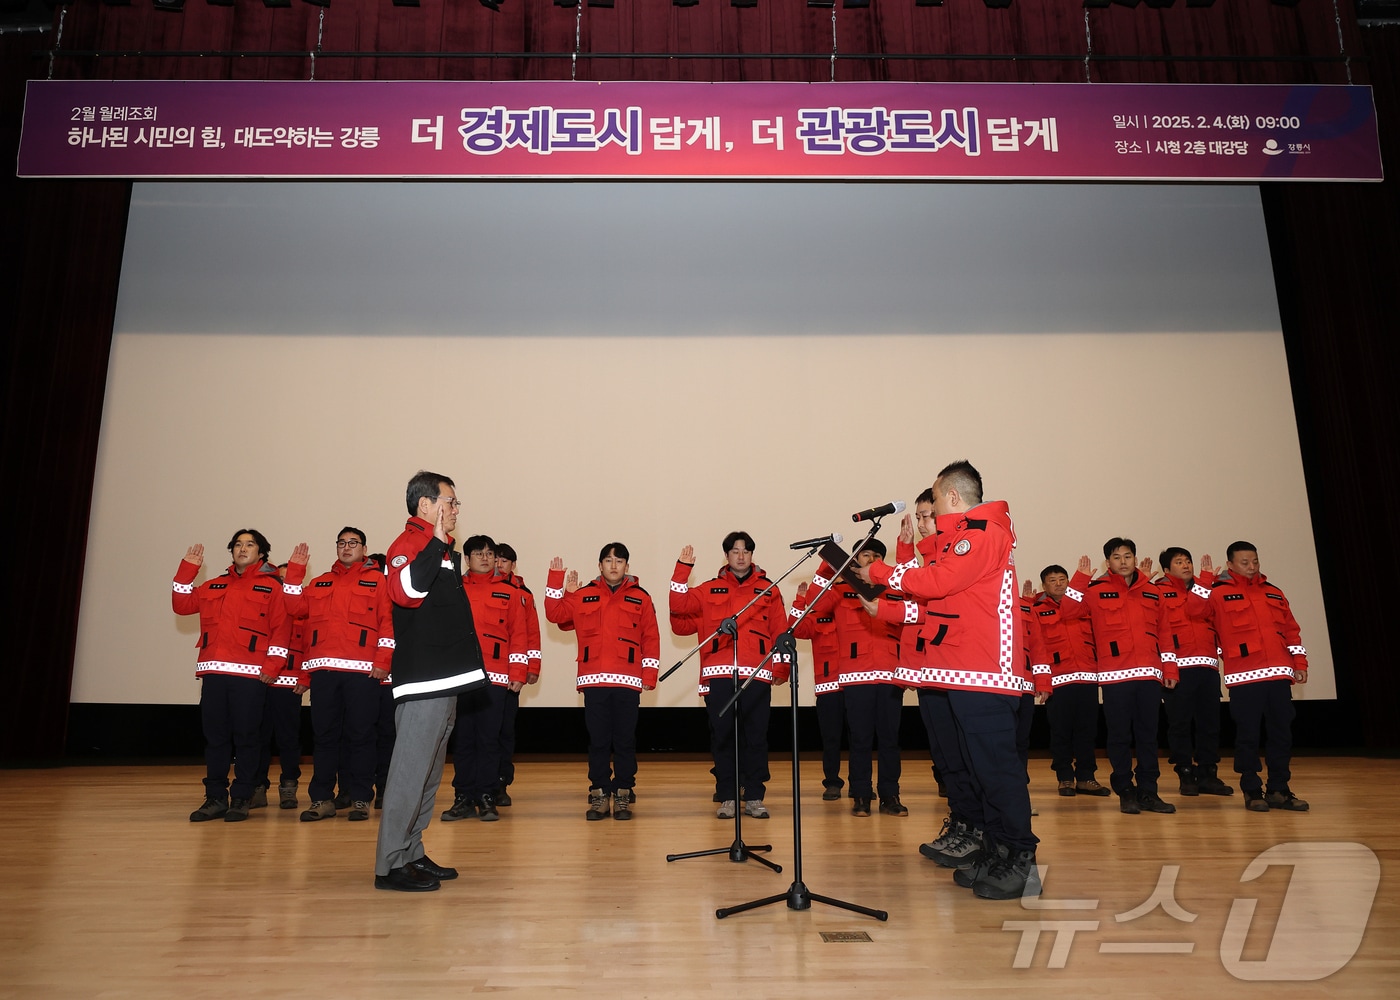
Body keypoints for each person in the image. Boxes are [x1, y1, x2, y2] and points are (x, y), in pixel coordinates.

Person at [858, 462, 1039, 899]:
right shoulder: (964, 535)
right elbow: (935, 590)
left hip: (986, 674)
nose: (932, 510)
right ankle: (995, 852)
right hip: (964, 670)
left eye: (935, 501)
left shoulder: (982, 532)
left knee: (998, 772)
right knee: (980, 769)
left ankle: (1021, 860)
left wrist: (880, 572)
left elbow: (938, 580)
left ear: (954, 497)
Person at [373, 471, 489, 892]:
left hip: (444, 682)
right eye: (451, 501)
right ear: (427, 505)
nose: (456, 509)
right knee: (408, 774)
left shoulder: (438, 549)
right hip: (423, 684)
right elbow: (404, 591)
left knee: (427, 775)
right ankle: (390, 865)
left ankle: (411, 851)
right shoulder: (409, 545)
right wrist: (437, 543)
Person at [172, 528, 291, 823]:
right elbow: (182, 604)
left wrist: (272, 667)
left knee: (248, 739)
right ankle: (214, 798)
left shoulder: (273, 587)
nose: (242, 549)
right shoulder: (214, 585)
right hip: (214, 673)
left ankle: (241, 797)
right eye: (238, 544)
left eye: (249, 544)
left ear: (261, 553)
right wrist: (187, 570)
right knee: (215, 739)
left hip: (251, 677)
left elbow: (281, 629)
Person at [670, 531, 789, 820]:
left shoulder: (769, 590)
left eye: (746, 551)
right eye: (735, 551)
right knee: (723, 738)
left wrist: (781, 667)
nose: (740, 556)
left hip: (757, 676)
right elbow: (678, 606)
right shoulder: (709, 589)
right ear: (726, 556)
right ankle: (727, 796)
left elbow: (781, 632)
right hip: (719, 674)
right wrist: (681, 571)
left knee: (756, 738)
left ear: (751, 555)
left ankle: (755, 796)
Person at [282, 528, 395, 823]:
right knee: (324, 737)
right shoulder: (320, 581)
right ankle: (321, 799)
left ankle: (360, 798)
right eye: (342, 543)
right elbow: (294, 607)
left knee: (361, 736)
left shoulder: (378, 580)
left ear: (364, 548)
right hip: (324, 672)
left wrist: (383, 661)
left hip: (363, 672)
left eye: (352, 543)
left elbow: (387, 623)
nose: (346, 548)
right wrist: (295, 571)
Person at [1060, 540, 1179, 815]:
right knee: (1119, 737)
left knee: (1148, 737)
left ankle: (1149, 792)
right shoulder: (1096, 590)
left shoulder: (1152, 592)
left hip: (1150, 676)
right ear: (1108, 563)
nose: (1123, 561)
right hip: (1116, 678)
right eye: (1116, 557)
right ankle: (1125, 790)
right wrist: (1080, 579)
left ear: (1135, 559)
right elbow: (1067, 612)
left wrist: (1170, 670)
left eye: (1128, 556)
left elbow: (1165, 634)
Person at [1190, 544, 1310, 812]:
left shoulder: (1274, 592)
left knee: (1281, 735)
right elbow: (1194, 611)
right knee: (1248, 736)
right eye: (1244, 562)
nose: (1252, 566)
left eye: (1254, 561)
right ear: (1230, 564)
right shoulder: (1218, 593)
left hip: (1279, 674)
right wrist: (1205, 579)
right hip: (1245, 678)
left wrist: (1299, 663)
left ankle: (1279, 789)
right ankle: (1252, 789)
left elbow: (1291, 631)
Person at [544, 543, 660, 820]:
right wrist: (556, 582)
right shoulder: (583, 595)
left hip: (628, 681)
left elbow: (651, 639)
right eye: (608, 560)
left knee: (624, 741)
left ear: (627, 567)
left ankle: (622, 793)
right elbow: (555, 615)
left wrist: (649, 675)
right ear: (599, 565)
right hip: (594, 681)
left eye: (619, 561)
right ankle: (598, 793)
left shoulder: (641, 598)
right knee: (598, 741)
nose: (613, 565)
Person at [802, 542, 908, 818]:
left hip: (890, 674)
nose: (871, 559)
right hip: (855, 675)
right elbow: (815, 603)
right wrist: (826, 568)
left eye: (877, 556)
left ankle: (890, 795)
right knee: (860, 739)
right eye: (866, 555)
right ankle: (860, 795)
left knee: (889, 740)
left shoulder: (893, 590)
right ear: (855, 560)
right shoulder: (839, 590)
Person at [441, 535, 529, 823]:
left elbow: (518, 635)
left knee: (490, 740)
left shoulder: (510, 592)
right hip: (462, 679)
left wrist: (518, 673)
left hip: (497, 679)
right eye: (478, 553)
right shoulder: (453, 589)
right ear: (467, 559)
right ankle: (463, 796)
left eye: (490, 553)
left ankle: (487, 796)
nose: (485, 557)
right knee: (464, 740)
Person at [1154, 546, 1232, 797]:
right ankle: (1186, 772)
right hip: (1178, 669)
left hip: (1207, 666)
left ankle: (1209, 773)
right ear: (1167, 570)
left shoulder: (1207, 588)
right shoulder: (1158, 592)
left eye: (1188, 561)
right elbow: (1191, 611)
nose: (1186, 565)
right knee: (1180, 724)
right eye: (1179, 562)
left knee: (1210, 724)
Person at [1031, 565, 1108, 797]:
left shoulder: (1085, 606)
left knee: (1087, 731)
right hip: (1058, 681)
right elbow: (1037, 648)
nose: (1058, 584)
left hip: (1087, 678)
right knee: (1061, 732)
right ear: (1044, 586)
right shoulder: (1037, 609)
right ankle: (1065, 777)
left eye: (1062, 579)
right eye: (1052, 580)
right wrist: (1042, 682)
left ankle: (1086, 777)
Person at [252, 570, 306, 812]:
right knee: (257, 737)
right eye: (280, 580)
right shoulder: (262, 607)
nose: (284, 584)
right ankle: (257, 787)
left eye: (288, 580)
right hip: (259, 684)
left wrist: (305, 678)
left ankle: (288, 786)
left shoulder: (303, 612)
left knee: (288, 739)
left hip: (289, 686)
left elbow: (311, 646)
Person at [788, 580, 846, 801]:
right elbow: (794, 629)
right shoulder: (816, 617)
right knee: (831, 739)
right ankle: (832, 783)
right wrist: (800, 602)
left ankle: (861, 784)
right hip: (828, 687)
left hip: (856, 685)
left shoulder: (855, 612)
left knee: (860, 739)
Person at [493, 542, 541, 807]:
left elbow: (531, 633)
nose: (499, 565)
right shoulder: (473, 587)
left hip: (510, 675)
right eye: (496, 559)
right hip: (483, 675)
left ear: (513, 565)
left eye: (505, 561)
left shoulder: (523, 594)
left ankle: (501, 783)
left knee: (504, 731)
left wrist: (531, 668)